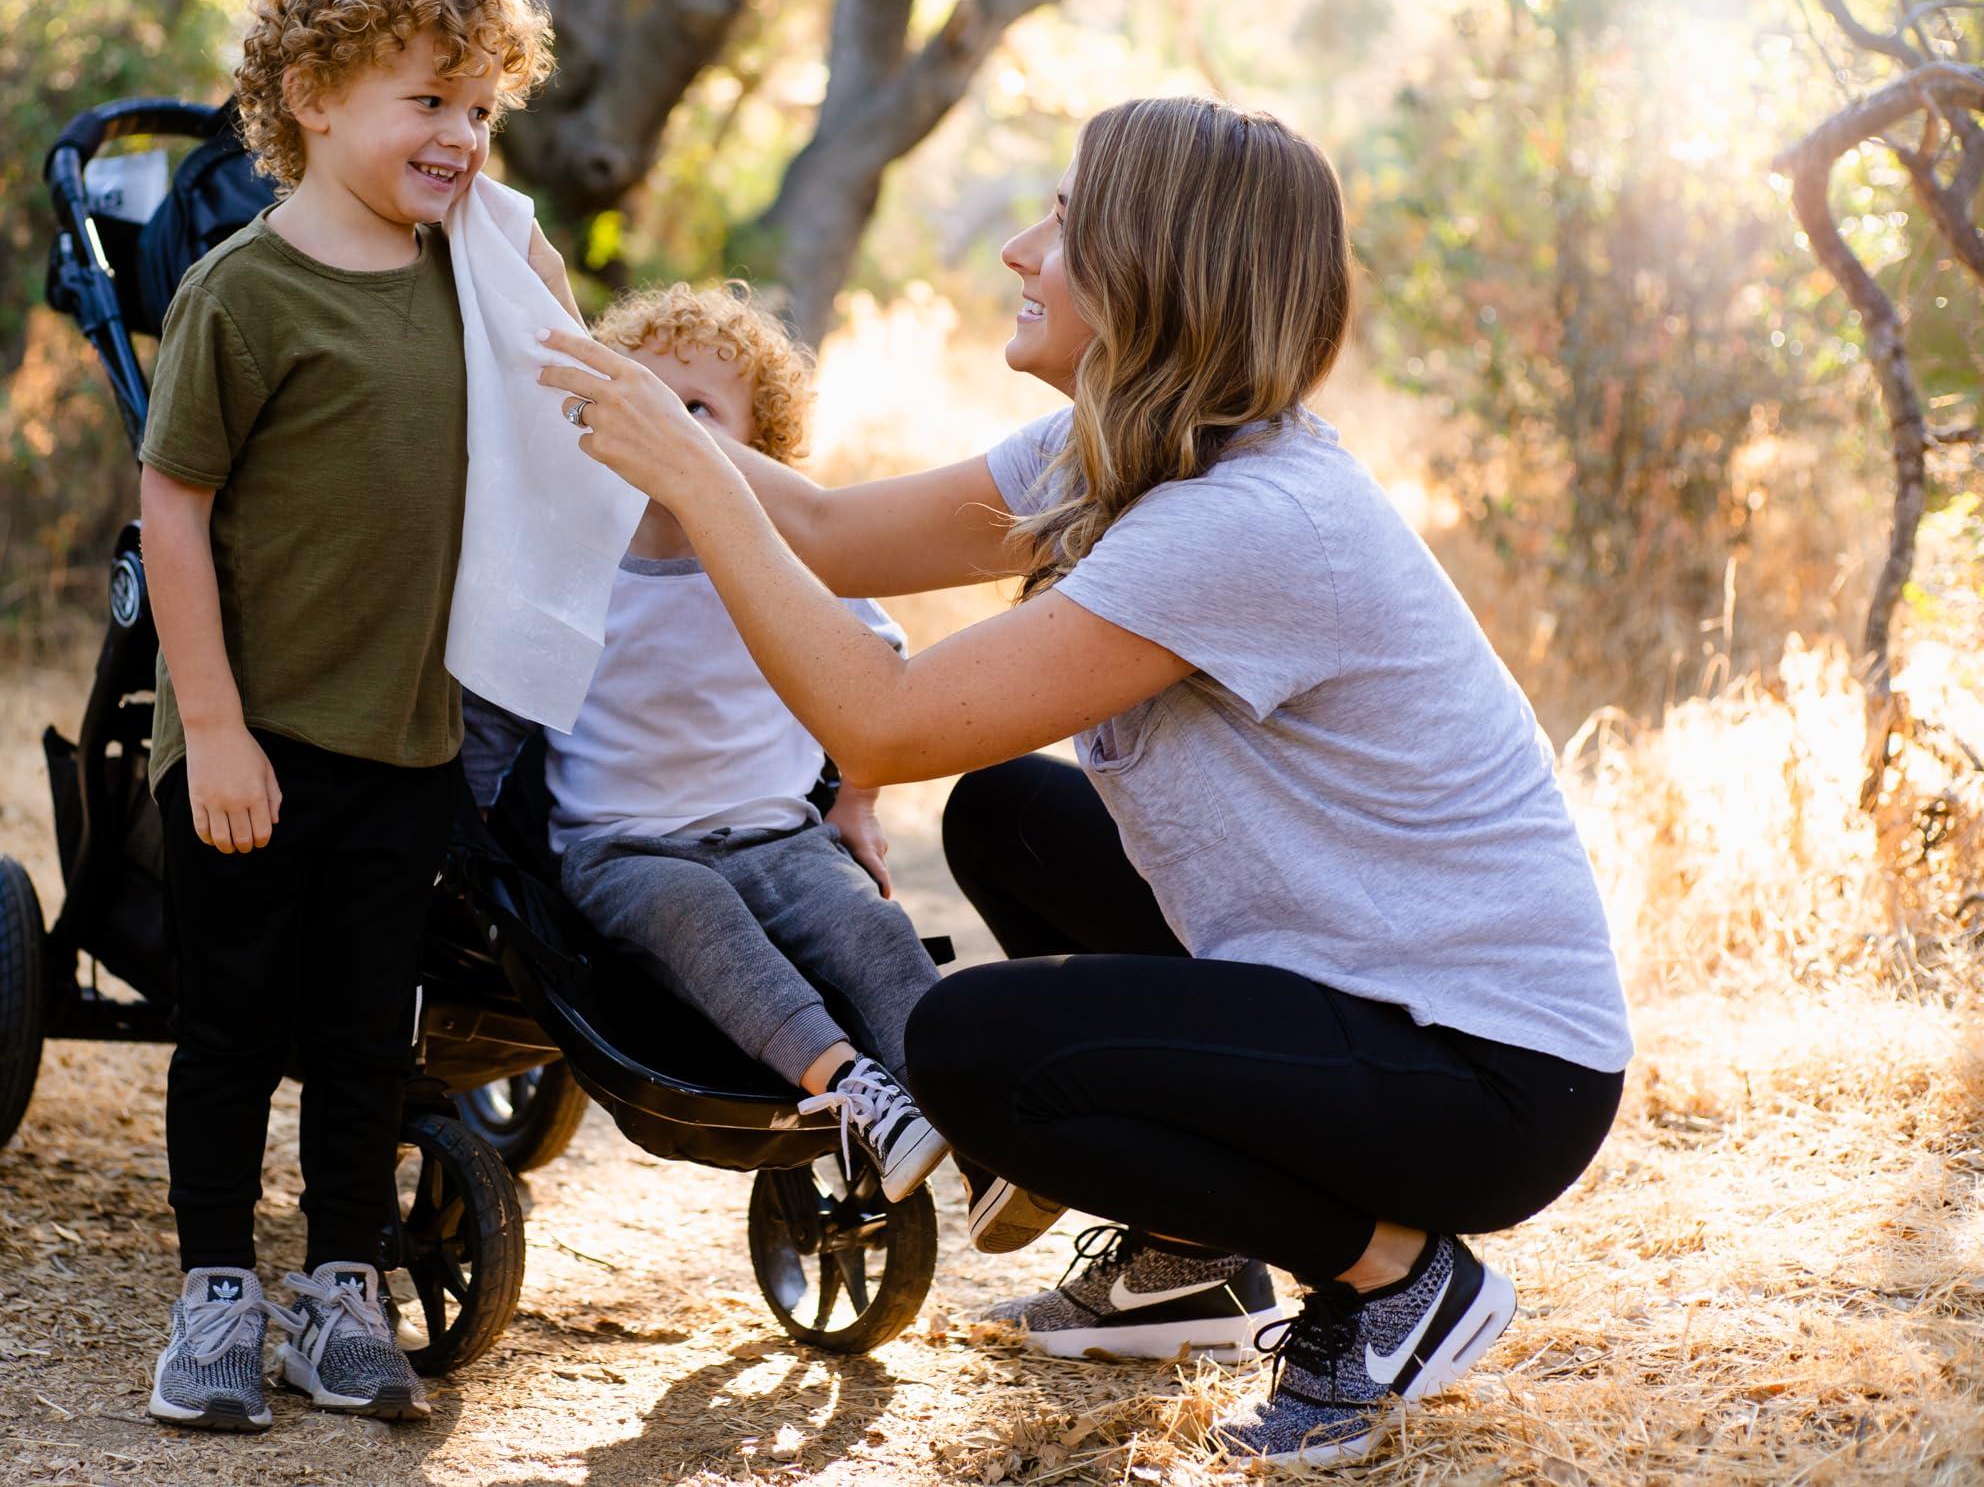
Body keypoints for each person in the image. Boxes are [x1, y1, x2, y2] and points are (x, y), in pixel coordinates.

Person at [527, 97, 1631, 1467]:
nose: (1018, 250)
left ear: (1151, 269)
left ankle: (1395, 1273)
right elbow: (822, 530)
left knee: (969, 1051)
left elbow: (878, 724)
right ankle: (1194, 1257)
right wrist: (577, 356)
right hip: (1362, 990)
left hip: (1481, 1074)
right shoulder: (1123, 452)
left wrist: (693, 478)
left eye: (1060, 224)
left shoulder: (1244, 519)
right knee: (1009, 815)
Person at [138, 0, 565, 1431]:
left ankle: (338, 1284)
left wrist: (499, 219)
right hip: (255, 742)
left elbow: (563, 362)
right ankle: (213, 1293)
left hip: (408, 746)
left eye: (482, 109)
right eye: (426, 100)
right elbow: (171, 508)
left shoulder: (474, 277)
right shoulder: (245, 293)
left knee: (365, 1038)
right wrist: (211, 727)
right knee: (232, 1028)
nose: (461, 136)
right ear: (313, 96)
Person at [463, 283, 951, 1200]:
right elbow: (499, 705)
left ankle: (966, 1101)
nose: (668, 426)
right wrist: (478, 830)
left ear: (761, 449)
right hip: (625, 851)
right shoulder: (572, 560)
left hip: (779, 834)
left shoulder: (782, 554)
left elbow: (873, 660)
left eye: (698, 409)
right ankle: (853, 1085)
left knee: (869, 927)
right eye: (643, 399)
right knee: (702, 919)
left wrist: (856, 802)